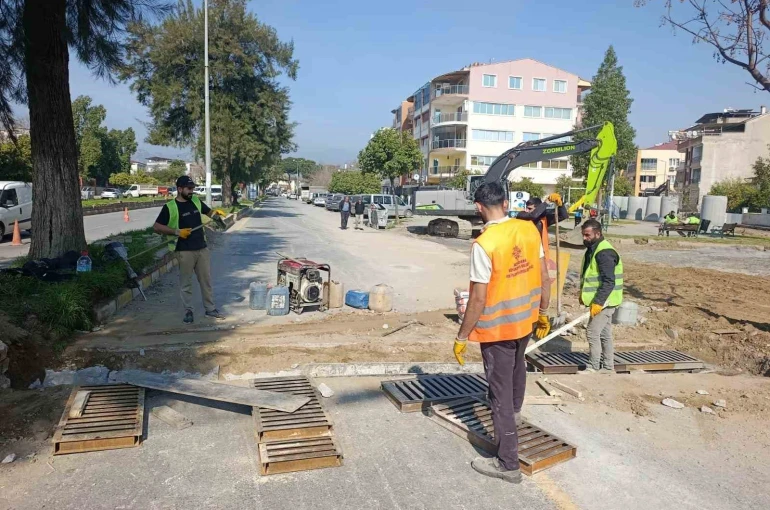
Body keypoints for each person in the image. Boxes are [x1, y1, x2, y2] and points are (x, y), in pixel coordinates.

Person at [453, 182, 551, 484]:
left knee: (499, 395)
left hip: (498, 330)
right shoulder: (529, 229)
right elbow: (545, 276)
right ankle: (515, 416)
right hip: (526, 321)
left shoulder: (484, 244)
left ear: (478, 207)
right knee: (518, 367)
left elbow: (478, 299)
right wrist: (543, 312)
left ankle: (508, 464)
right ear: (506, 204)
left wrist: (461, 336)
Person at [153, 176, 227, 324]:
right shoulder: (170, 207)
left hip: (201, 248)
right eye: (189, 188)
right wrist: (177, 232)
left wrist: (216, 215)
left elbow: (208, 212)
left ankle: (210, 309)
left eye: (193, 188)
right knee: (186, 283)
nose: (192, 191)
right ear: (180, 189)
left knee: (206, 280)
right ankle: (188, 311)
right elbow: (156, 227)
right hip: (184, 250)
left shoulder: (195, 201)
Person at [579, 219, 624, 373]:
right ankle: (608, 367)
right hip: (603, 300)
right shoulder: (594, 249)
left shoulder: (604, 253)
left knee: (592, 332)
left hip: (605, 301)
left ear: (597, 234)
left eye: (587, 235)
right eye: (583, 235)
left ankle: (593, 366)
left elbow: (609, 281)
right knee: (605, 334)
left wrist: (598, 302)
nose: (584, 238)